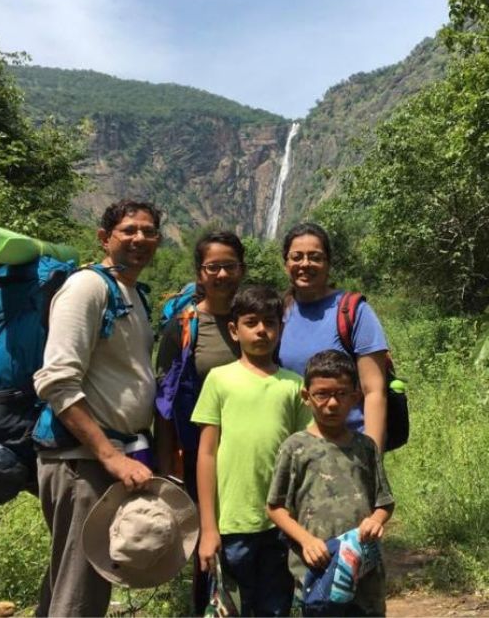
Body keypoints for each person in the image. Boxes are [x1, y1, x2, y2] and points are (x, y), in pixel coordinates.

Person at [32, 199, 161, 617]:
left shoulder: (132, 294)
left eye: (148, 231)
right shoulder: (87, 287)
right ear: (104, 237)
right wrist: (108, 455)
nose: (139, 238)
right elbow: (55, 380)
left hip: (107, 459)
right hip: (83, 460)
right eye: (129, 230)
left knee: (69, 583)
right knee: (81, 592)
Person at [192, 285, 313, 617]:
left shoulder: (293, 385)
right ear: (234, 330)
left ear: (280, 328)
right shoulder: (219, 380)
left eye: (270, 322)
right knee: (231, 608)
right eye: (251, 322)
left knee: (275, 608)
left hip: (282, 526)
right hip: (232, 525)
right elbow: (206, 455)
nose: (262, 330)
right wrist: (208, 528)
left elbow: (306, 454)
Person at [153, 230, 245, 613]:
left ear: (242, 269)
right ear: (199, 272)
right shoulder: (183, 327)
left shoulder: (256, 316)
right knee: (209, 544)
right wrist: (164, 468)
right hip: (199, 453)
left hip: (253, 450)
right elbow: (163, 401)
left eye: (229, 266)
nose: (221, 275)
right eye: (213, 267)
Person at [267, 349, 395, 617]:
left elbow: (384, 502)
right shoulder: (295, 448)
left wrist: (375, 521)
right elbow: (276, 508)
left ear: (355, 396)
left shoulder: (365, 447)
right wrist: (307, 541)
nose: (332, 404)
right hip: (318, 569)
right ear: (306, 397)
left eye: (340, 394)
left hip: (364, 572)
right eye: (322, 394)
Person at [278, 223, 391, 451]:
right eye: (297, 257)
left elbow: (374, 391)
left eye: (315, 257)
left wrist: (372, 460)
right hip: (294, 450)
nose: (305, 264)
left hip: (347, 450)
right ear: (286, 264)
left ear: (328, 264)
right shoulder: (276, 313)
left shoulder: (353, 312)